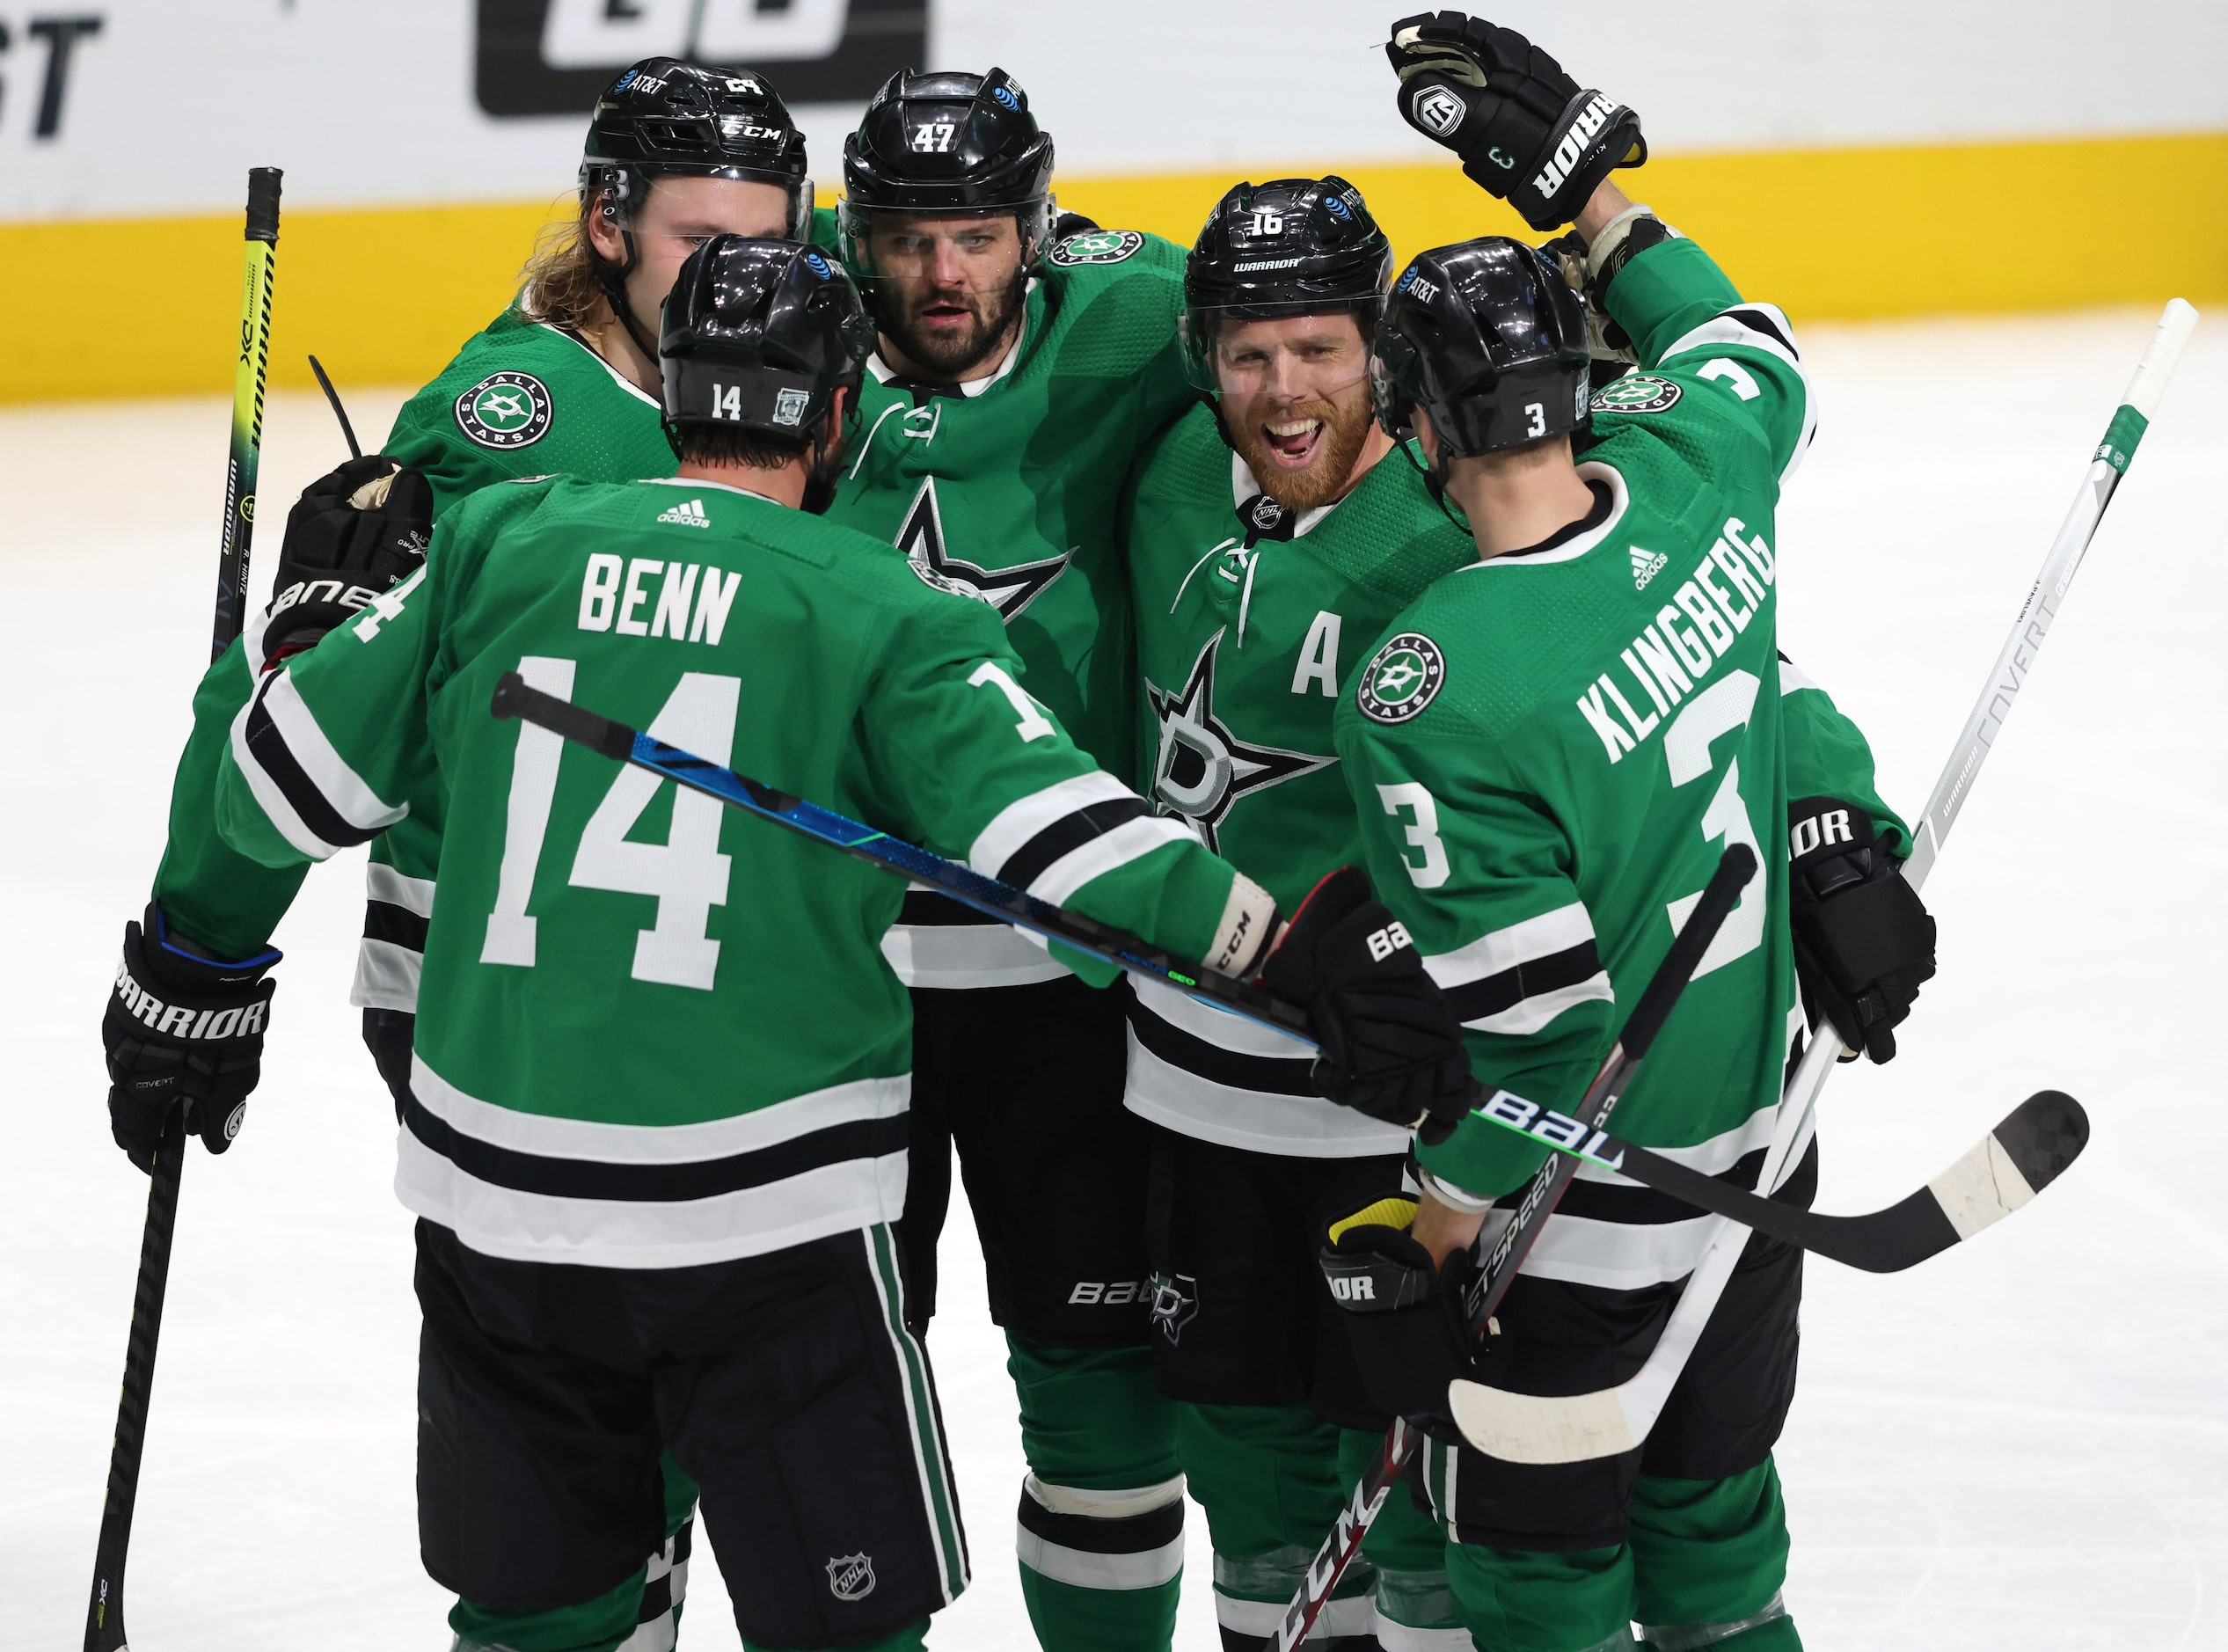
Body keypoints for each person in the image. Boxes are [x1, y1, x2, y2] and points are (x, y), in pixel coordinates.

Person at [104, 233, 1457, 1652]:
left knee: (539, 1618)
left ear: (672, 388)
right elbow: (1063, 840)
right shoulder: (881, 610)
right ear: (832, 420)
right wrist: (1274, 943)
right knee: (841, 1631)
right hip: (771, 1222)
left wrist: (217, 894)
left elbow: (268, 784)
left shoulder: (502, 543)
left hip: (497, 1201)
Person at [134, 60, 823, 1645]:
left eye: (770, 238)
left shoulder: (772, 332)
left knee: (674, 1412)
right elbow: (324, 725)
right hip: (498, 968)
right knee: (587, 1421)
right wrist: (198, 950)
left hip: (705, 966)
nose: (743, 275)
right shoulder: (515, 423)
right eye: (699, 240)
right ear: (603, 226)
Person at [1311, 17, 1939, 1651]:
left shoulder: (1426, 683)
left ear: (1423, 428)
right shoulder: (1695, 474)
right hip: (1765, 1155)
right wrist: (1594, 206)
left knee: (1540, 1579)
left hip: (1579, 1223)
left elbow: (1543, 1041)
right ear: (1577, 389)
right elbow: (1748, 341)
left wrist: (1433, 1207)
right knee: (1720, 1544)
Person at [823, 66, 1204, 1652]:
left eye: (974, 236)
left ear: (1034, 230)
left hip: (1073, 973)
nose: (941, 278)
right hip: (834, 978)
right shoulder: (766, 342)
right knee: (828, 1402)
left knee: (1106, 1410)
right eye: (907, 240)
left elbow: (1336, 365)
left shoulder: (1138, 313)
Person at [1120, 174, 1477, 1652]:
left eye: (1319, 349)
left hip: (1374, 1108)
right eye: (1252, 353)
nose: (1283, 388)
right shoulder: (1157, 485)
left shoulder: (1449, 539)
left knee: (1408, 1502)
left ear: (1378, 355)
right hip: (1187, 1087)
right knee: (1244, 1473)